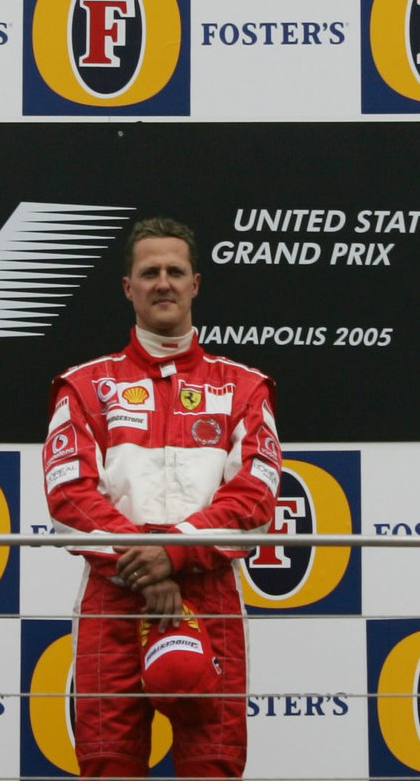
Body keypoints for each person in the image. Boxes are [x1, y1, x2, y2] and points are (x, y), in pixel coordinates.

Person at [42, 217, 282, 778]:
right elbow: (68, 496)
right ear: (128, 287)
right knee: (107, 765)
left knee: (214, 766)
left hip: (209, 594)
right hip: (114, 598)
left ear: (196, 283)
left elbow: (255, 499)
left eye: (175, 271)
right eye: (149, 272)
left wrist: (173, 554)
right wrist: (152, 567)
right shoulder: (84, 385)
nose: (163, 283)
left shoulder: (243, 387)